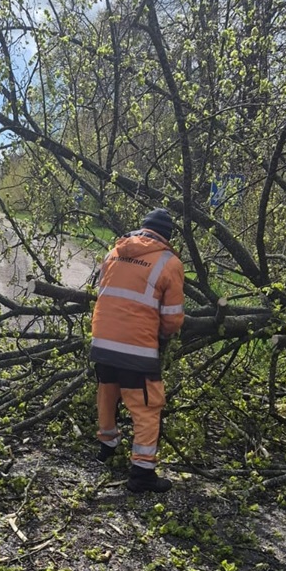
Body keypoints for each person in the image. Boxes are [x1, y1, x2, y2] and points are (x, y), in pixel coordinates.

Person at [90, 208, 185, 493]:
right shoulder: (169, 262)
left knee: (108, 393)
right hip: (137, 348)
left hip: (102, 341)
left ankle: (106, 447)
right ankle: (142, 473)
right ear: (167, 236)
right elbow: (172, 318)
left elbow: (103, 294)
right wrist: (164, 337)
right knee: (147, 406)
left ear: (141, 229)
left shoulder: (114, 252)